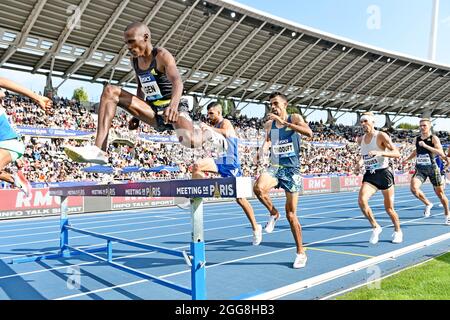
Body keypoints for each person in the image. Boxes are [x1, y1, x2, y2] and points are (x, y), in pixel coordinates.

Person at [64, 21, 225, 164]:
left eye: (133, 42)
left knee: (190, 141)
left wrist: (174, 107)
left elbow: (177, 81)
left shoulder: (161, 55)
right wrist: (136, 116)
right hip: (153, 110)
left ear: (146, 37)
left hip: (173, 108)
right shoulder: (135, 61)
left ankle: (207, 132)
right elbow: (141, 86)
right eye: (127, 43)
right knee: (110, 91)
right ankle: (99, 150)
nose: (129, 48)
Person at [186, 102, 262, 245]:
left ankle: (255, 227)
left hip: (231, 164)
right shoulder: (211, 128)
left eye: (211, 113)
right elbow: (198, 141)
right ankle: (197, 196)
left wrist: (209, 128)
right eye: (208, 114)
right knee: (197, 166)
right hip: (219, 162)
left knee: (240, 199)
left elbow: (226, 133)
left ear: (219, 113)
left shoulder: (225, 122)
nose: (209, 116)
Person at [253, 92, 313, 269]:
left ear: (285, 104)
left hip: (292, 170)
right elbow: (268, 141)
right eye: (271, 104)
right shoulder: (270, 124)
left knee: (292, 215)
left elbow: (309, 133)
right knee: (258, 188)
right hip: (275, 167)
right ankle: (273, 212)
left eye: (276, 103)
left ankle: (300, 253)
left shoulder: (294, 117)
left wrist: (286, 123)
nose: (273, 106)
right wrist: (261, 151)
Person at [355, 112, 403, 244]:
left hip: (384, 174)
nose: (363, 124)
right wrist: (358, 164)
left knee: (389, 209)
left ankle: (398, 230)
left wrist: (380, 152)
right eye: (361, 122)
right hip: (370, 175)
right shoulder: (361, 139)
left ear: (373, 122)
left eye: (365, 121)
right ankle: (376, 226)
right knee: (361, 201)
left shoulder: (381, 135)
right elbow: (364, 155)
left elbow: (397, 153)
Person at [0, 77, 52, 196]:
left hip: (9, 144)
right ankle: (14, 179)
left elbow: (2, 83)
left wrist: (38, 98)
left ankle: (13, 179)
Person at [403, 119, 449, 225]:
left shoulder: (433, 138)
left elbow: (440, 152)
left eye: (424, 125)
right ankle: (428, 203)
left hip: (433, 168)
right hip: (420, 169)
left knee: (440, 194)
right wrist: (407, 159)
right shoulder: (417, 139)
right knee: (414, 188)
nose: (422, 127)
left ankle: (447, 215)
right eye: (420, 125)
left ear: (429, 126)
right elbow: (416, 151)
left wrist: (426, 146)